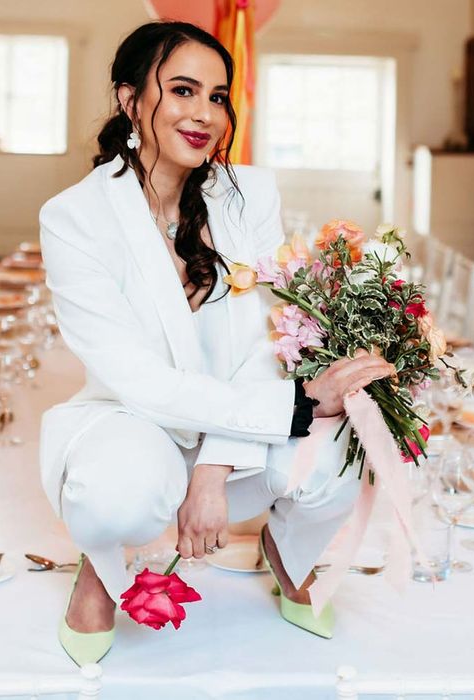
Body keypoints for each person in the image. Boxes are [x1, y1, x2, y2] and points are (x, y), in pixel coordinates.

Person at [39, 20, 394, 666]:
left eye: (218, 96)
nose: (205, 114)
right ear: (129, 100)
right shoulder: (73, 219)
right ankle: (100, 563)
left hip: (237, 421)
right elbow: (136, 377)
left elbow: (267, 340)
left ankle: (288, 550)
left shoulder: (250, 195)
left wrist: (214, 466)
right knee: (115, 491)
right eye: (182, 90)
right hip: (133, 418)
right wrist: (291, 406)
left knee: (341, 453)